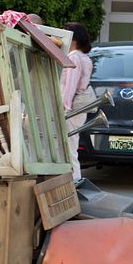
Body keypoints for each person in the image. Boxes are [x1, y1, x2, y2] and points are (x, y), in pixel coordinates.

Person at [60, 21, 95, 182]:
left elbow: (70, 87)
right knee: (72, 144)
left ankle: (74, 179)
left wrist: (64, 108)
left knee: (68, 145)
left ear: (72, 39)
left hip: (72, 107)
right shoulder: (85, 57)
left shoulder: (73, 57)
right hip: (80, 106)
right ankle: (74, 178)